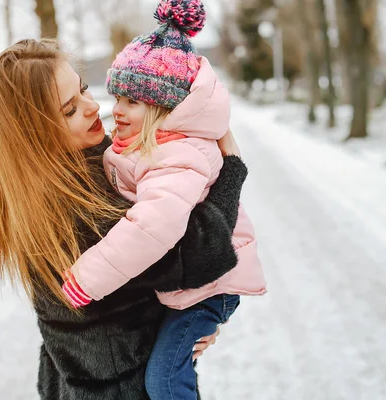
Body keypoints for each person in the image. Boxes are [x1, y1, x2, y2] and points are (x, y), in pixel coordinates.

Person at [0, 37, 251, 400]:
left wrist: (187, 329)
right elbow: (198, 253)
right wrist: (231, 170)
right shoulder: (74, 206)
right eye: (69, 110)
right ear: (35, 133)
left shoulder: (72, 173)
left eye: (82, 90)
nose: (94, 107)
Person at [60, 1, 267, 398]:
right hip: (189, 292)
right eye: (116, 96)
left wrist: (85, 280)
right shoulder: (143, 146)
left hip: (207, 290)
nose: (114, 110)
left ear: (164, 108)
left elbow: (152, 225)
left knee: (166, 382)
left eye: (131, 102)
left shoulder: (175, 156)